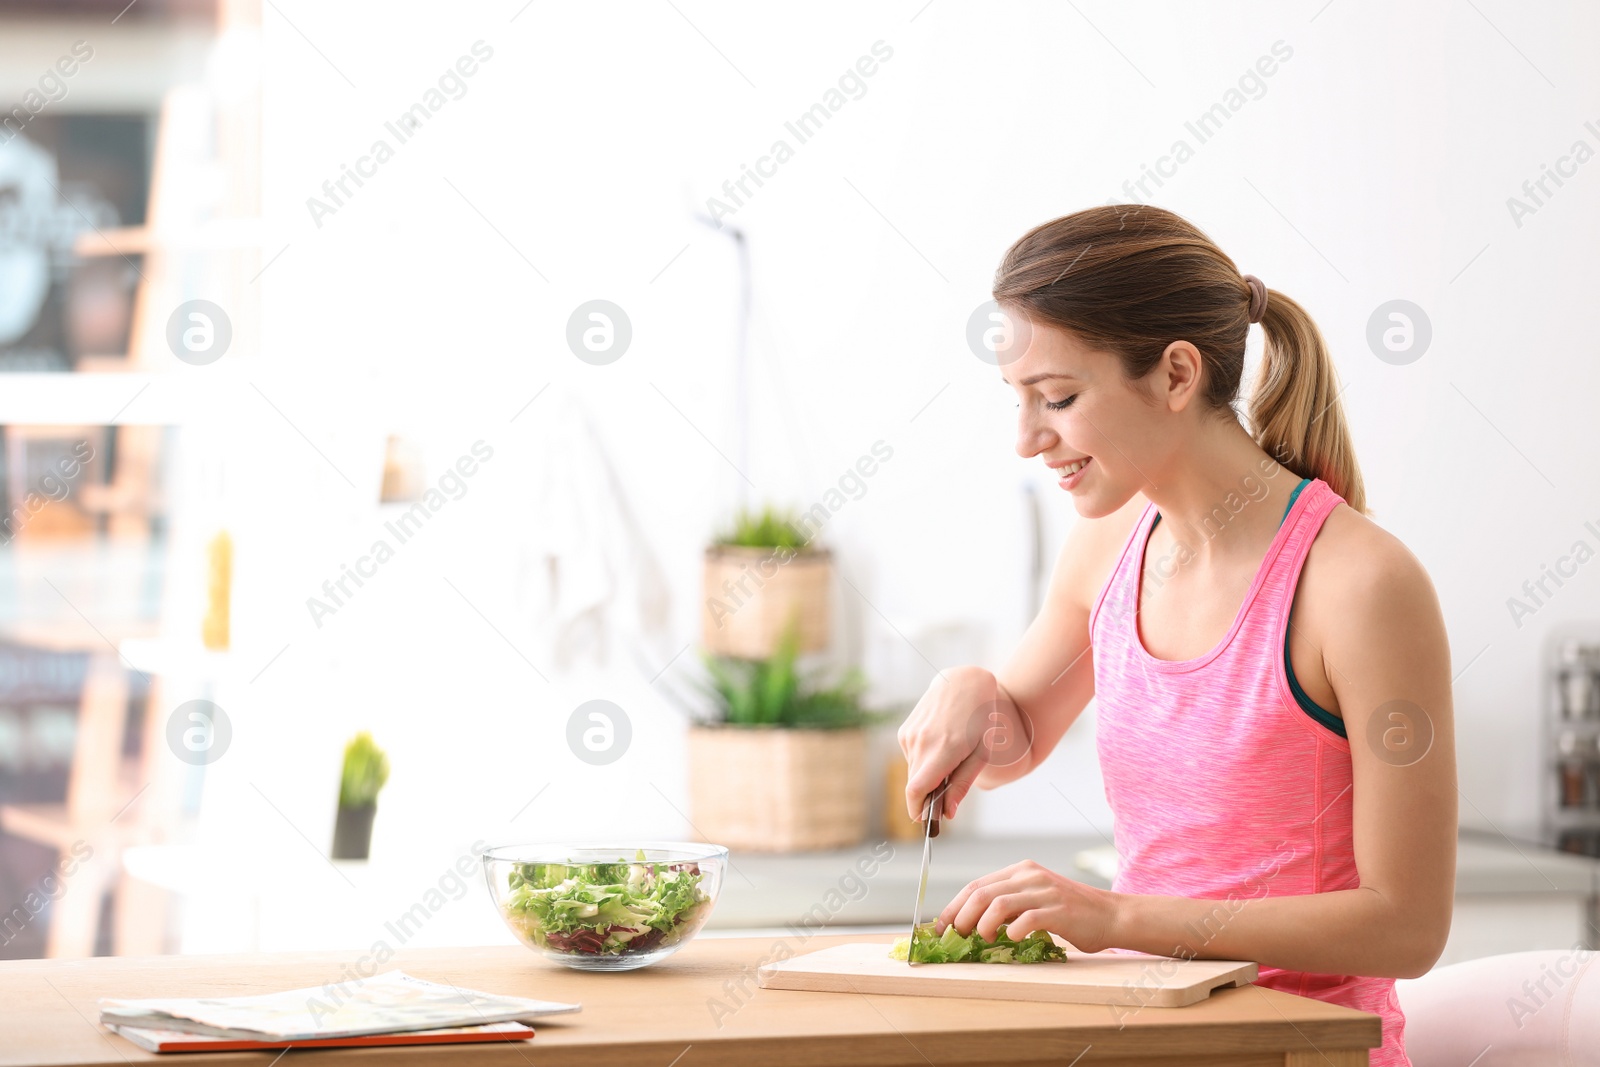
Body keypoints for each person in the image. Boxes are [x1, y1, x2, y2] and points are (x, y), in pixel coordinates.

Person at [898, 204, 1456, 1067]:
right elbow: (1010, 747)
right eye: (1017, 400)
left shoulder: (1360, 586)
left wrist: (1119, 918)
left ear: (1176, 374)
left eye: (1058, 397)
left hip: (1300, 1051)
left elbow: (1407, 925)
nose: (1026, 438)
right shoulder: (1109, 546)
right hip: (1144, 1041)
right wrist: (972, 689)